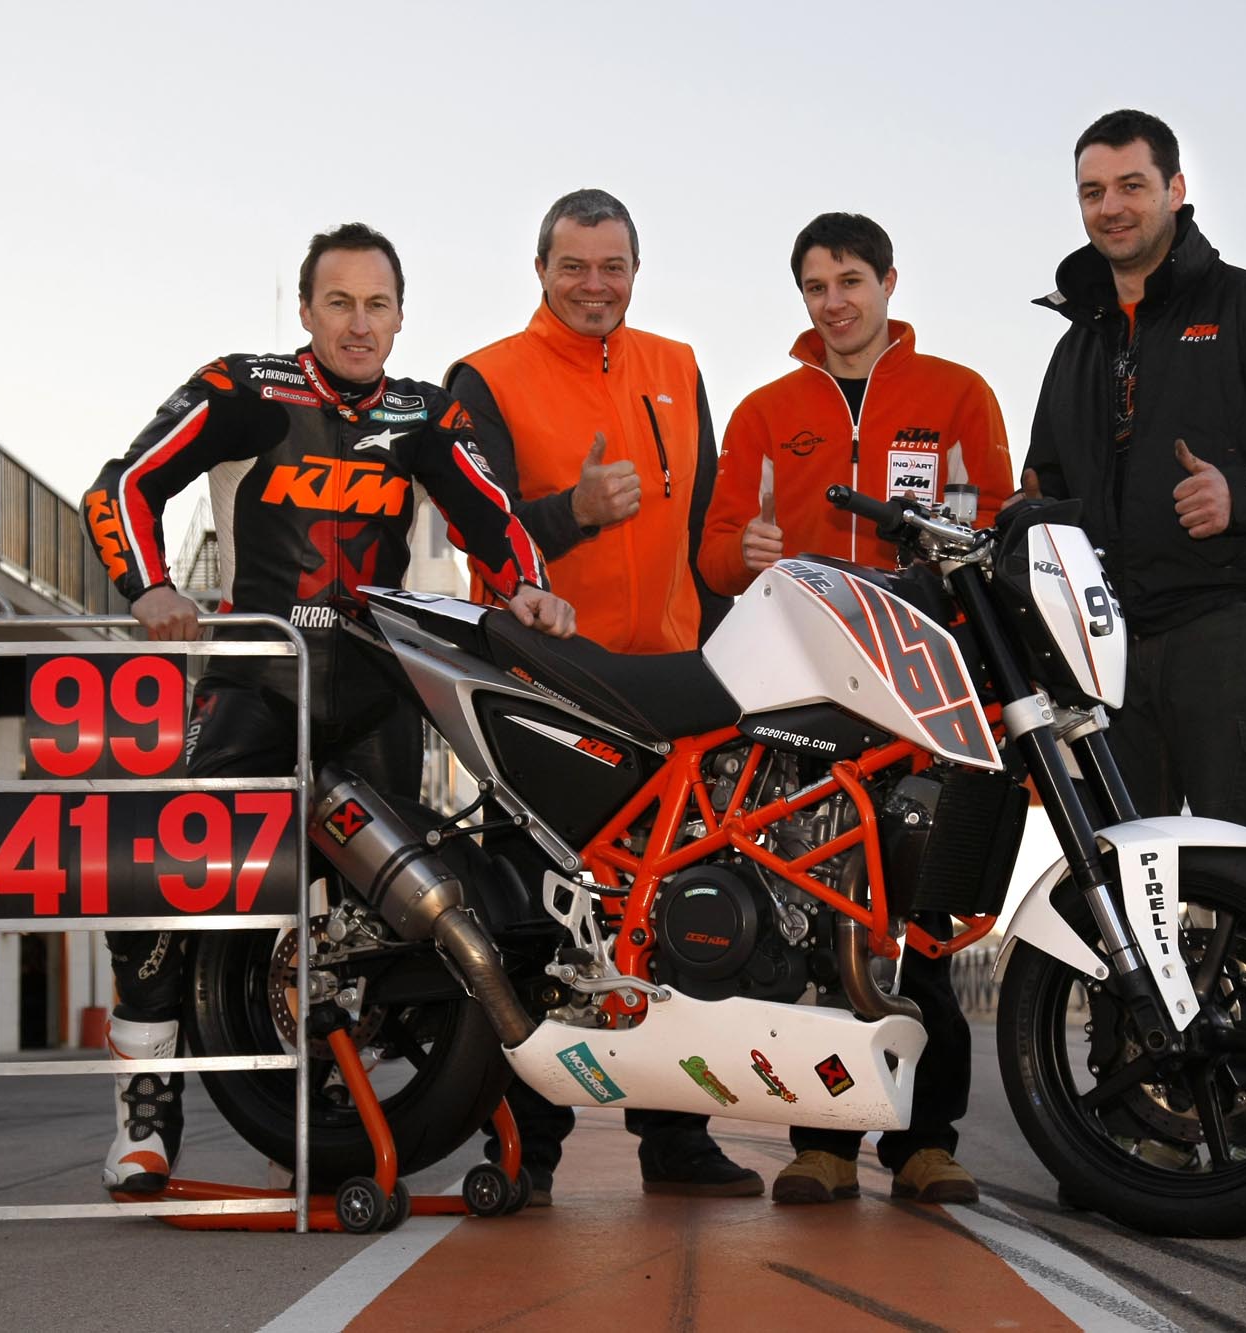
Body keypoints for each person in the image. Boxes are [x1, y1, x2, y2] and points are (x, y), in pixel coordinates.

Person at [81, 222, 574, 1195]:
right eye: (338, 302)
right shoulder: (243, 387)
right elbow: (124, 484)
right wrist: (147, 586)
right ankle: (146, 1117)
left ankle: (353, 1105)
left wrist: (527, 586)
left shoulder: (425, 411)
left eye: (376, 304)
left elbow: (494, 516)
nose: (358, 323)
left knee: (398, 920)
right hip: (254, 688)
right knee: (162, 885)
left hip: (375, 697)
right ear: (306, 310)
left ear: (401, 317)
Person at [447, 188, 758, 1204]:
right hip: (545, 690)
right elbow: (480, 534)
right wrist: (570, 513)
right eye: (573, 266)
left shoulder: (677, 365)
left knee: (678, 925)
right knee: (533, 927)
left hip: (673, 695)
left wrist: (731, 621)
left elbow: (704, 527)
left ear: (635, 270)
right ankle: (522, 1150)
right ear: (540, 269)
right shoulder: (485, 378)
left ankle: (676, 1142)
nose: (594, 285)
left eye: (612, 266)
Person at [699, 212, 1011, 1207]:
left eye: (849, 282)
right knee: (821, 921)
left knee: (921, 922)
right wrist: (740, 554)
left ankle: (925, 1143)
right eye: (815, 286)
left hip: (925, 694)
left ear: (887, 283)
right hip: (807, 698)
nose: (833, 303)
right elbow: (713, 552)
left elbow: (995, 530)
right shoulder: (764, 411)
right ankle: (824, 1144)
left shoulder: (957, 394)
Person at [1024, 109, 1246, 852]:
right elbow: (1043, 489)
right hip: (1104, 650)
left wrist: (1241, 491)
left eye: (1131, 185)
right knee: (1115, 881)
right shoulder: (1075, 348)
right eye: (1092, 192)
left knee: (1242, 871)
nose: (1110, 207)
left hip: (1228, 627)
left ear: (1175, 190)